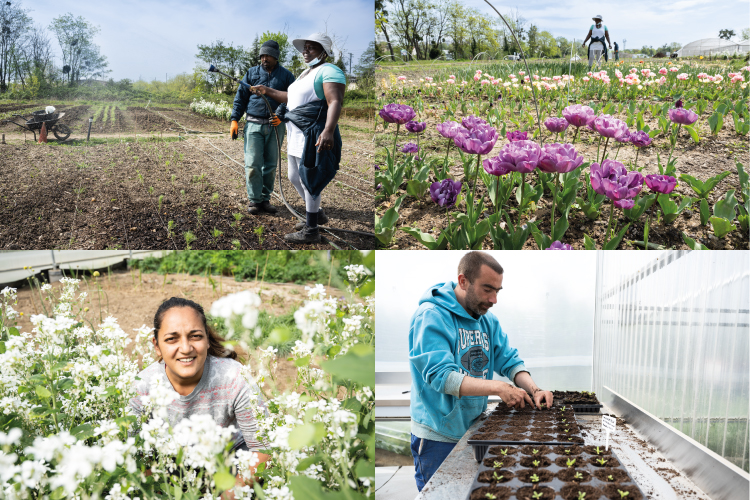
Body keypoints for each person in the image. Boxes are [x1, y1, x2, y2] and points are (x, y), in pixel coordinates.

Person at [408, 251, 553, 492]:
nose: (494, 299)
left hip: (475, 429)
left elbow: (509, 360)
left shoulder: (487, 321)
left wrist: (534, 389)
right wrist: (499, 387)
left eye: (498, 291)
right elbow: (441, 376)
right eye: (487, 289)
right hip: (438, 435)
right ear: (463, 281)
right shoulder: (431, 316)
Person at [130, 297, 268, 493]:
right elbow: (133, 456)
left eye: (195, 336)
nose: (186, 348)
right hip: (174, 469)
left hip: (229, 465)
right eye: (172, 339)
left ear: (208, 340)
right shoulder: (142, 387)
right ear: (157, 345)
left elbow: (263, 449)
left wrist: (229, 495)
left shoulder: (234, 377)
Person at [248, 33, 346, 244]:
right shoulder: (305, 74)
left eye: (311, 47)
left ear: (324, 51)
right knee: (294, 177)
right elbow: (291, 97)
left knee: (309, 179)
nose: (305, 51)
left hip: (312, 133)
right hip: (295, 133)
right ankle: (316, 213)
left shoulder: (330, 71)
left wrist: (328, 130)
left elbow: (335, 101)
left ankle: (311, 230)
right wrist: (267, 91)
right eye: (304, 48)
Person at [230, 40, 295, 215]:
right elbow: (241, 97)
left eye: (268, 55)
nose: (264, 58)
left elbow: (293, 98)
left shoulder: (287, 76)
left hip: (275, 127)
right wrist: (234, 119)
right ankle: (254, 200)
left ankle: (265, 199)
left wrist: (280, 115)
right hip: (253, 125)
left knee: (271, 165)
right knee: (252, 164)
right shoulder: (251, 73)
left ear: (276, 56)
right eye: (262, 55)